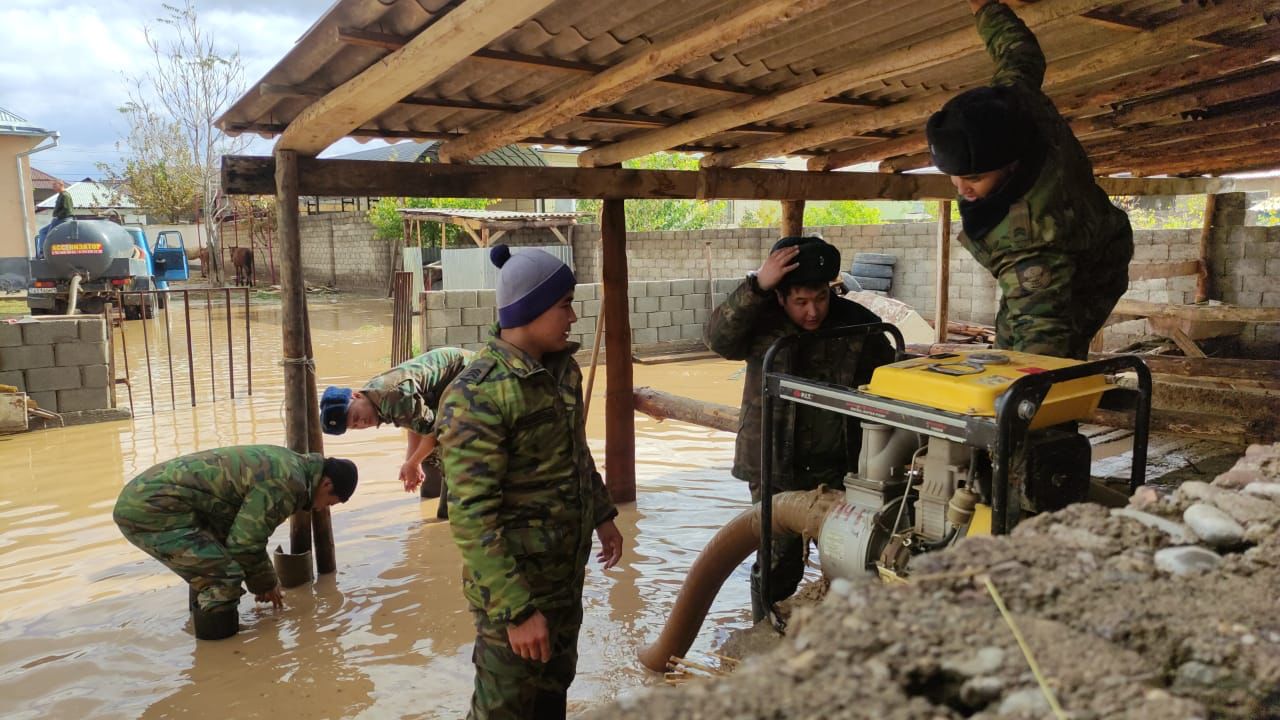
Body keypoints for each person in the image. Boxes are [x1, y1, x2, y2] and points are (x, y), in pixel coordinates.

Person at [436, 244, 624, 720]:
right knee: (505, 707)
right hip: (512, 594)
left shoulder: (563, 372)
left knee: (551, 695)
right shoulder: (476, 394)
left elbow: (574, 453)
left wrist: (602, 515)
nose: (573, 316)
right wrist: (517, 611)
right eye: (564, 305)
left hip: (564, 581)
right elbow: (472, 517)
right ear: (533, 309)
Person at [925, 0, 1133, 360]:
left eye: (975, 177)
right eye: (954, 177)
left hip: (1093, 270)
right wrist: (986, 8)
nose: (962, 189)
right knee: (1008, 345)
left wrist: (1021, 399)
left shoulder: (1027, 241)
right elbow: (1020, 53)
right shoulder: (1015, 104)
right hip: (1087, 228)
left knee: (1042, 363)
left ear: (1011, 164)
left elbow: (1042, 339)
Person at [705, 236, 895, 621]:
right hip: (774, 463)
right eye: (801, 302)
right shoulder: (759, 321)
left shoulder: (858, 324)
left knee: (847, 553)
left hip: (840, 465)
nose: (813, 312)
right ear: (780, 297)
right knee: (778, 562)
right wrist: (756, 284)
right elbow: (717, 339)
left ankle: (838, 626)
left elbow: (891, 379)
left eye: (821, 298)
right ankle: (764, 626)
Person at [113, 445, 358, 640]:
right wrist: (266, 583)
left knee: (212, 559)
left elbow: (235, 534)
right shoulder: (288, 483)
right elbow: (245, 543)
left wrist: (259, 580)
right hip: (150, 509)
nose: (321, 508)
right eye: (329, 502)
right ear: (326, 484)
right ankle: (217, 660)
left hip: (153, 499)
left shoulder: (291, 464)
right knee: (222, 577)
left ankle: (198, 627)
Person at [320, 347, 474, 503]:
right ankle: (434, 505)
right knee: (427, 456)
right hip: (444, 391)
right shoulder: (373, 397)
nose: (362, 423)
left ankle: (461, 503)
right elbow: (412, 422)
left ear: (356, 396)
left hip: (468, 374)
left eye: (356, 416)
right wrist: (413, 461)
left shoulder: (390, 398)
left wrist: (413, 463)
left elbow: (435, 430)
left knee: (448, 445)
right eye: (355, 425)